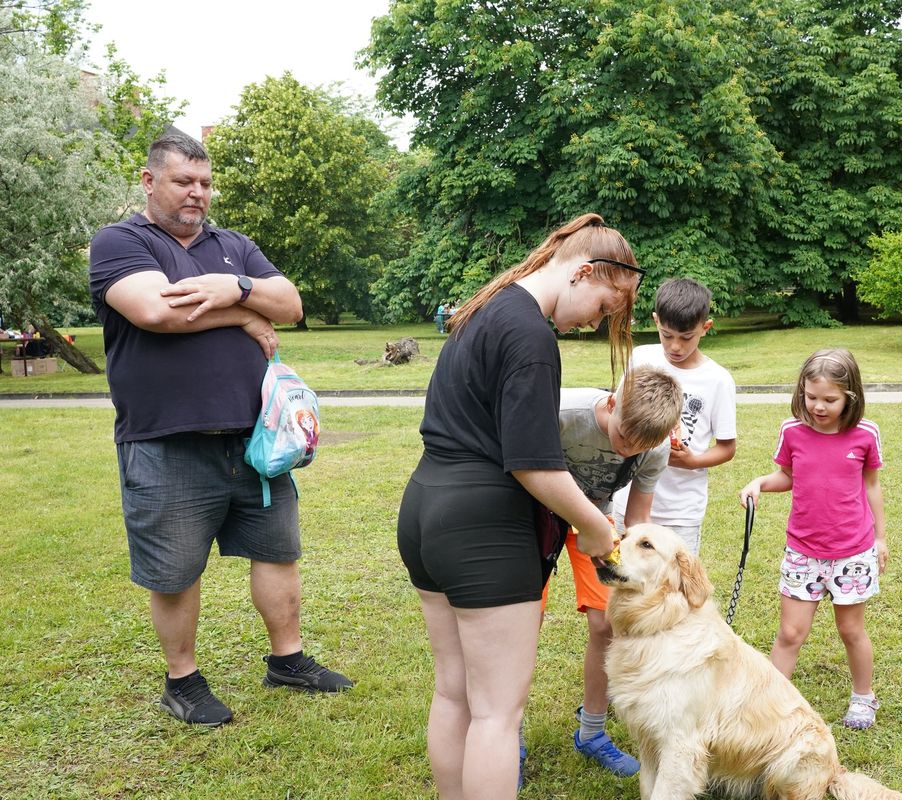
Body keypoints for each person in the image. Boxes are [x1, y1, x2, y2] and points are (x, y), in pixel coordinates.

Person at [88, 133, 352, 728]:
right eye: (184, 181)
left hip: (255, 443)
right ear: (149, 181)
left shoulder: (232, 246)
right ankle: (181, 681)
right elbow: (157, 311)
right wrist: (245, 312)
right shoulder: (122, 241)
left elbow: (292, 303)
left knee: (278, 552)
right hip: (166, 441)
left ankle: (288, 660)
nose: (197, 194)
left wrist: (235, 288)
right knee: (176, 571)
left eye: (205, 183)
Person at [396, 213, 643, 800]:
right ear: (583, 273)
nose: (596, 323)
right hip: (483, 529)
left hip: (426, 508)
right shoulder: (531, 334)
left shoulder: (487, 308)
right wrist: (595, 527)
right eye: (605, 306)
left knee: (454, 691)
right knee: (495, 714)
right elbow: (533, 464)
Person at [738, 348, 888, 730]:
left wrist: (881, 539)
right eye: (811, 397)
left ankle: (863, 696)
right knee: (790, 632)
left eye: (830, 399)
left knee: (850, 629)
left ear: (850, 396)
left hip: (852, 551)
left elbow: (872, 486)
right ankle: (770, 704)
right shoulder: (793, 431)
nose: (819, 406)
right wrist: (759, 483)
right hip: (803, 551)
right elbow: (788, 476)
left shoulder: (865, 434)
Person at [545, 365, 682, 778]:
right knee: (518, 624)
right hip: (534, 520)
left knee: (608, 625)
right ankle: (507, 737)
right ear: (611, 403)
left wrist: (628, 561)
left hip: (597, 527)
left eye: (639, 446)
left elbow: (637, 520)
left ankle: (592, 732)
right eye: (622, 438)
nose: (627, 451)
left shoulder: (652, 447)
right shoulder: (561, 413)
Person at [612, 278, 737, 555]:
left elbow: (727, 448)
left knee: (674, 588)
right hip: (627, 500)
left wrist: (693, 461)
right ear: (656, 321)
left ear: (705, 328)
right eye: (667, 335)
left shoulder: (718, 380)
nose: (675, 347)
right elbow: (616, 415)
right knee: (625, 580)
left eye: (686, 337)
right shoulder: (642, 358)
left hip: (680, 512)